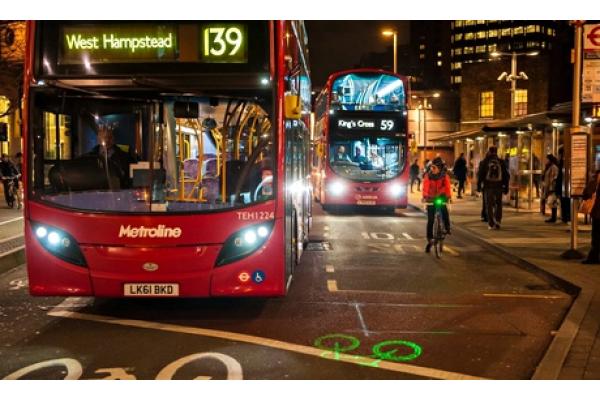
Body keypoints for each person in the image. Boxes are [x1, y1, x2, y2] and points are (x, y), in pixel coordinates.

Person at [422, 157, 451, 253]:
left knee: (444, 211)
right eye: (431, 167)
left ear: (440, 168)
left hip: (441, 197)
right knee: (430, 219)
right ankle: (430, 237)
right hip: (431, 198)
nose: (432, 169)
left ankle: (447, 227)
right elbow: (425, 187)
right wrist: (425, 196)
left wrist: (448, 197)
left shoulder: (444, 176)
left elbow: (447, 187)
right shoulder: (428, 176)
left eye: (434, 168)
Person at [477, 146, 509, 230]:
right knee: (499, 204)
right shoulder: (501, 162)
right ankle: (498, 221)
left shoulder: (485, 161)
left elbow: (480, 174)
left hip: (488, 186)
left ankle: (491, 223)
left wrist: (479, 186)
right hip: (499, 186)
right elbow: (506, 175)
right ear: (496, 151)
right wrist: (506, 187)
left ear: (489, 151)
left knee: (489, 205)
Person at [582, 169, 600, 264]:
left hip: (597, 214)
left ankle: (593, 258)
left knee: (596, 236)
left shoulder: (594, 182)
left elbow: (586, 194)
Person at [541, 154, 559, 223]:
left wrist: (552, 186)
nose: (546, 160)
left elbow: (555, 177)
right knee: (551, 202)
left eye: (547, 159)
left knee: (551, 202)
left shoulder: (553, 167)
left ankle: (554, 217)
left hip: (552, 187)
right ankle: (553, 217)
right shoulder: (548, 167)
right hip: (548, 187)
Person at [557, 147, 570, 223]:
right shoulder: (562, 163)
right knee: (564, 202)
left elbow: (560, 176)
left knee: (566, 202)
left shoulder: (563, 163)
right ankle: (565, 217)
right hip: (564, 186)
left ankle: (566, 217)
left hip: (565, 186)